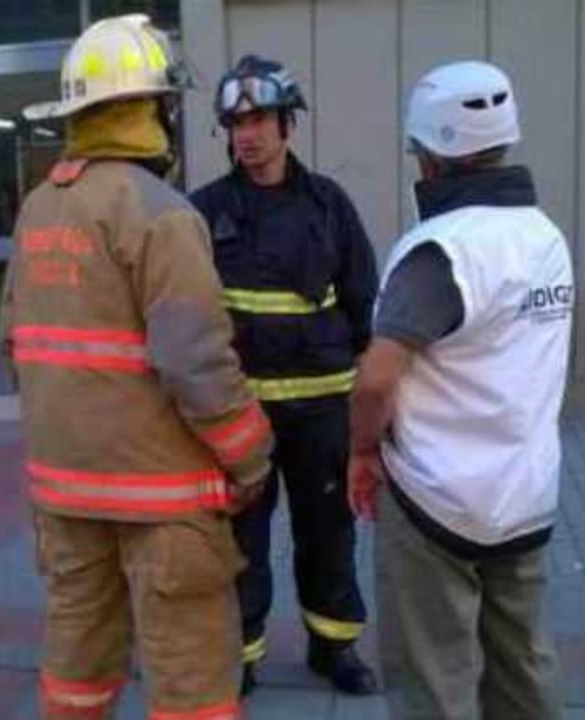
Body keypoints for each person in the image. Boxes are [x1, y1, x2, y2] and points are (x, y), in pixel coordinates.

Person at [2, 15, 275, 717]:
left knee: (77, 668)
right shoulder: (160, 212)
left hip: (64, 494)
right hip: (164, 499)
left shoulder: (38, 209)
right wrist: (250, 458)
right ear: (147, 109)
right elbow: (198, 361)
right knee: (190, 680)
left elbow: (14, 346)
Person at [348, 61, 572, 720]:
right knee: (523, 664)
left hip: (434, 501)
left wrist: (362, 451)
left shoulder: (439, 252)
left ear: (431, 154)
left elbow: (377, 378)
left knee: (433, 679)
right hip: (526, 495)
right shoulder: (544, 236)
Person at [189, 55, 380, 697]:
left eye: (261, 118)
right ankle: (240, 656)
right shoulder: (204, 211)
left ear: (287, 123)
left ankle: (335, 647)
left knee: (327, 532)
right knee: (238, 540)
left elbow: (362, 301)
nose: (249, 133)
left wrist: (368, 410)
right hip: (239, 416)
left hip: (322, 411)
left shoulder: (329, 204)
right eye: (237, 122)